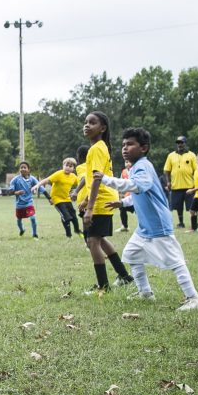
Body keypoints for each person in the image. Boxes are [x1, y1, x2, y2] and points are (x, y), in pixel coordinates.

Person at [93, 127, 198, 310]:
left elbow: (138, 186)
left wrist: (106, 179)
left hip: (158, 225)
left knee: (175, 261)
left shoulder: (143, 166)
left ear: (143, 148)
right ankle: (145, 292)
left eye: (130, 144)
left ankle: (194, 299)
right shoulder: (136, 167)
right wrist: (122, 203)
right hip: (144, 227)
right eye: (123, 144)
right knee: (131, 254)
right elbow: (140, 194)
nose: (124, 148)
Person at [82, 111, 132, 291]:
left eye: (92, 123)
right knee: (100, 240)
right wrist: (87, 199)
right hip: (105, 197)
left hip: (102, 200)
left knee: (92, 242)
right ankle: (125, 276)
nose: (87, 125)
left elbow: (97, 178)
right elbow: (97, 177)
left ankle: (103, 286)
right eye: (86, 122)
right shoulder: (101, 146)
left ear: (102, 128)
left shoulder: (96, 148)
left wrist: (89, 208)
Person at [32, 158, 82, 238]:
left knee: (74, 216)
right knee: (66, 216)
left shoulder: (73, 177)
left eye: (71, 166)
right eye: (66, 165)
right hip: (57, 198)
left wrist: (76, 191)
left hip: (66, 198)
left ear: (73, 168)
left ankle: (77, 230)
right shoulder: (59, 174)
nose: (68, 167)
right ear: (63, 166)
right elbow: (47, 180)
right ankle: (69, 235)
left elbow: (80, 184)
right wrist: (37, 185)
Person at [163, 135, 197, 228]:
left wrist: (196, 183)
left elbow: (196, 170)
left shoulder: (191, 155)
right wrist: (168, 182)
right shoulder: (171, 155)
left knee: (192, 205)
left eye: (181, 142)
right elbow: (167, 170)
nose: (180, 144)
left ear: (185, 143)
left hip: (189, 185)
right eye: (178, 143)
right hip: (176, 185)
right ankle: (181, 223)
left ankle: (195, 222)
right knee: (178, 207)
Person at [10, 161, 50, 239]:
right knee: (19, 220)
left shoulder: (32, 179)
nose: (23, 169)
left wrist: (49, 198)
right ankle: (22, 230)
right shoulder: (15, 180)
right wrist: (16, 192)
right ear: (19, 170)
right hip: (19, 205)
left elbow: (41, 188)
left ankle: (34, 234)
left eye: (25, 167)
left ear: (28, 170)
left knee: (32, 218)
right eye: (21, 167)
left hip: (29, 203)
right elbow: (10, 191)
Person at [117, 160, 135, 232]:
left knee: (141, 212)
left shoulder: (136, 170)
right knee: (122, 208)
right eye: (126, 162)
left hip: (136, 198)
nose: (127, 163)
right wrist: (120, 194)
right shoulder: (123, 172)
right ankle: (124, 226)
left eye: (129, 162)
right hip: (128, 197)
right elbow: (120, 184)